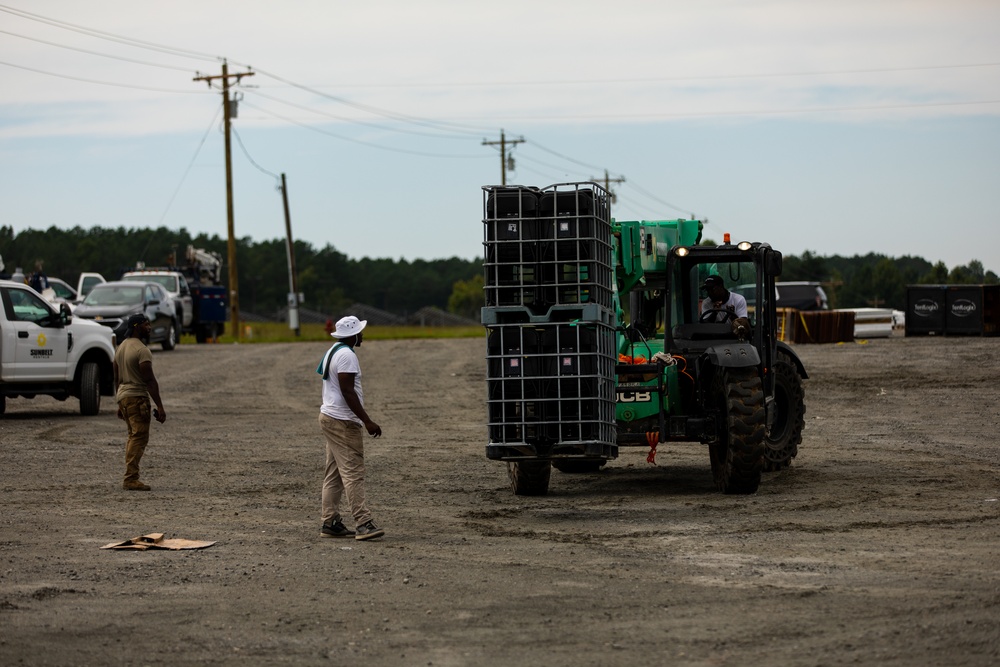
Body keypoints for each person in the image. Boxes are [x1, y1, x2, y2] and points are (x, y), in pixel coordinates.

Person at [317, 315, 384, 541]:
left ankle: (331, 521)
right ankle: (363, 522)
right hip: (343, 422)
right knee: (353, 472)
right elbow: (348, 391)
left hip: (329, 416)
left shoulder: (334, 350)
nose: (362, 336)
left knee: (334, 473)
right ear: (353, 334)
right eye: (360, 332)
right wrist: (367, 420)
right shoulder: (347, 355)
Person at [113, 313, 166, 491]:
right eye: (146, 324)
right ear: (136, 327)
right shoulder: (142, 350)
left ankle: (131, 476)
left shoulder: (121, 347)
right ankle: (131, 478)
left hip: (124, 397)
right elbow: (150, 381)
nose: (149, 327)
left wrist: (119, 402)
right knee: (139, 437)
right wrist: (160, 406)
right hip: (137, 397)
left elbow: (116, 377)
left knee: (132, 436)